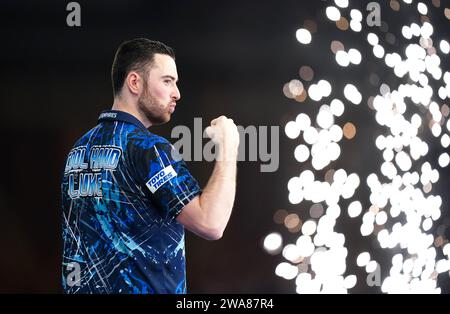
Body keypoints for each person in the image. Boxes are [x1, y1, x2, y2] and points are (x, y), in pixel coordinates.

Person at [61, 38, 239, 294]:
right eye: (167, 81)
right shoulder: (148, 149)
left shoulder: (78, 151)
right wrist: (228, 147)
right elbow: (211, 223)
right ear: (135, 82)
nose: (177, 93)